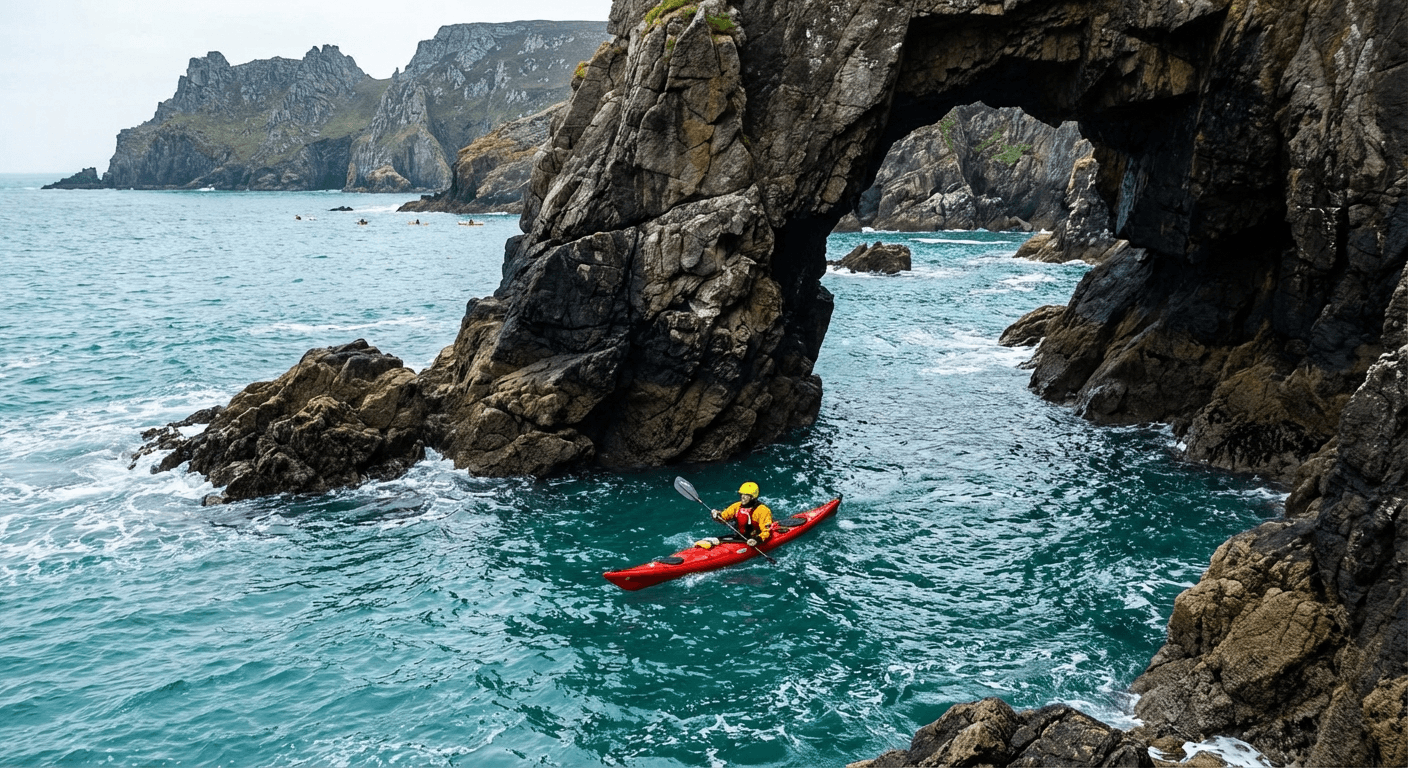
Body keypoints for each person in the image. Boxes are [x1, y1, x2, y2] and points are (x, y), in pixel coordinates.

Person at [712, 482, 773, 546]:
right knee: (713, 541)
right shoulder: (737, 506)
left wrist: (757, 540)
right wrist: (716, 515)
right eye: (741, 494)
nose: (742, 497)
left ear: (752, 497)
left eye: (746, 495)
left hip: (754, 539)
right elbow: (724, 517)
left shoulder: (763, 510)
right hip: (739, 538)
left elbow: (766, 532)